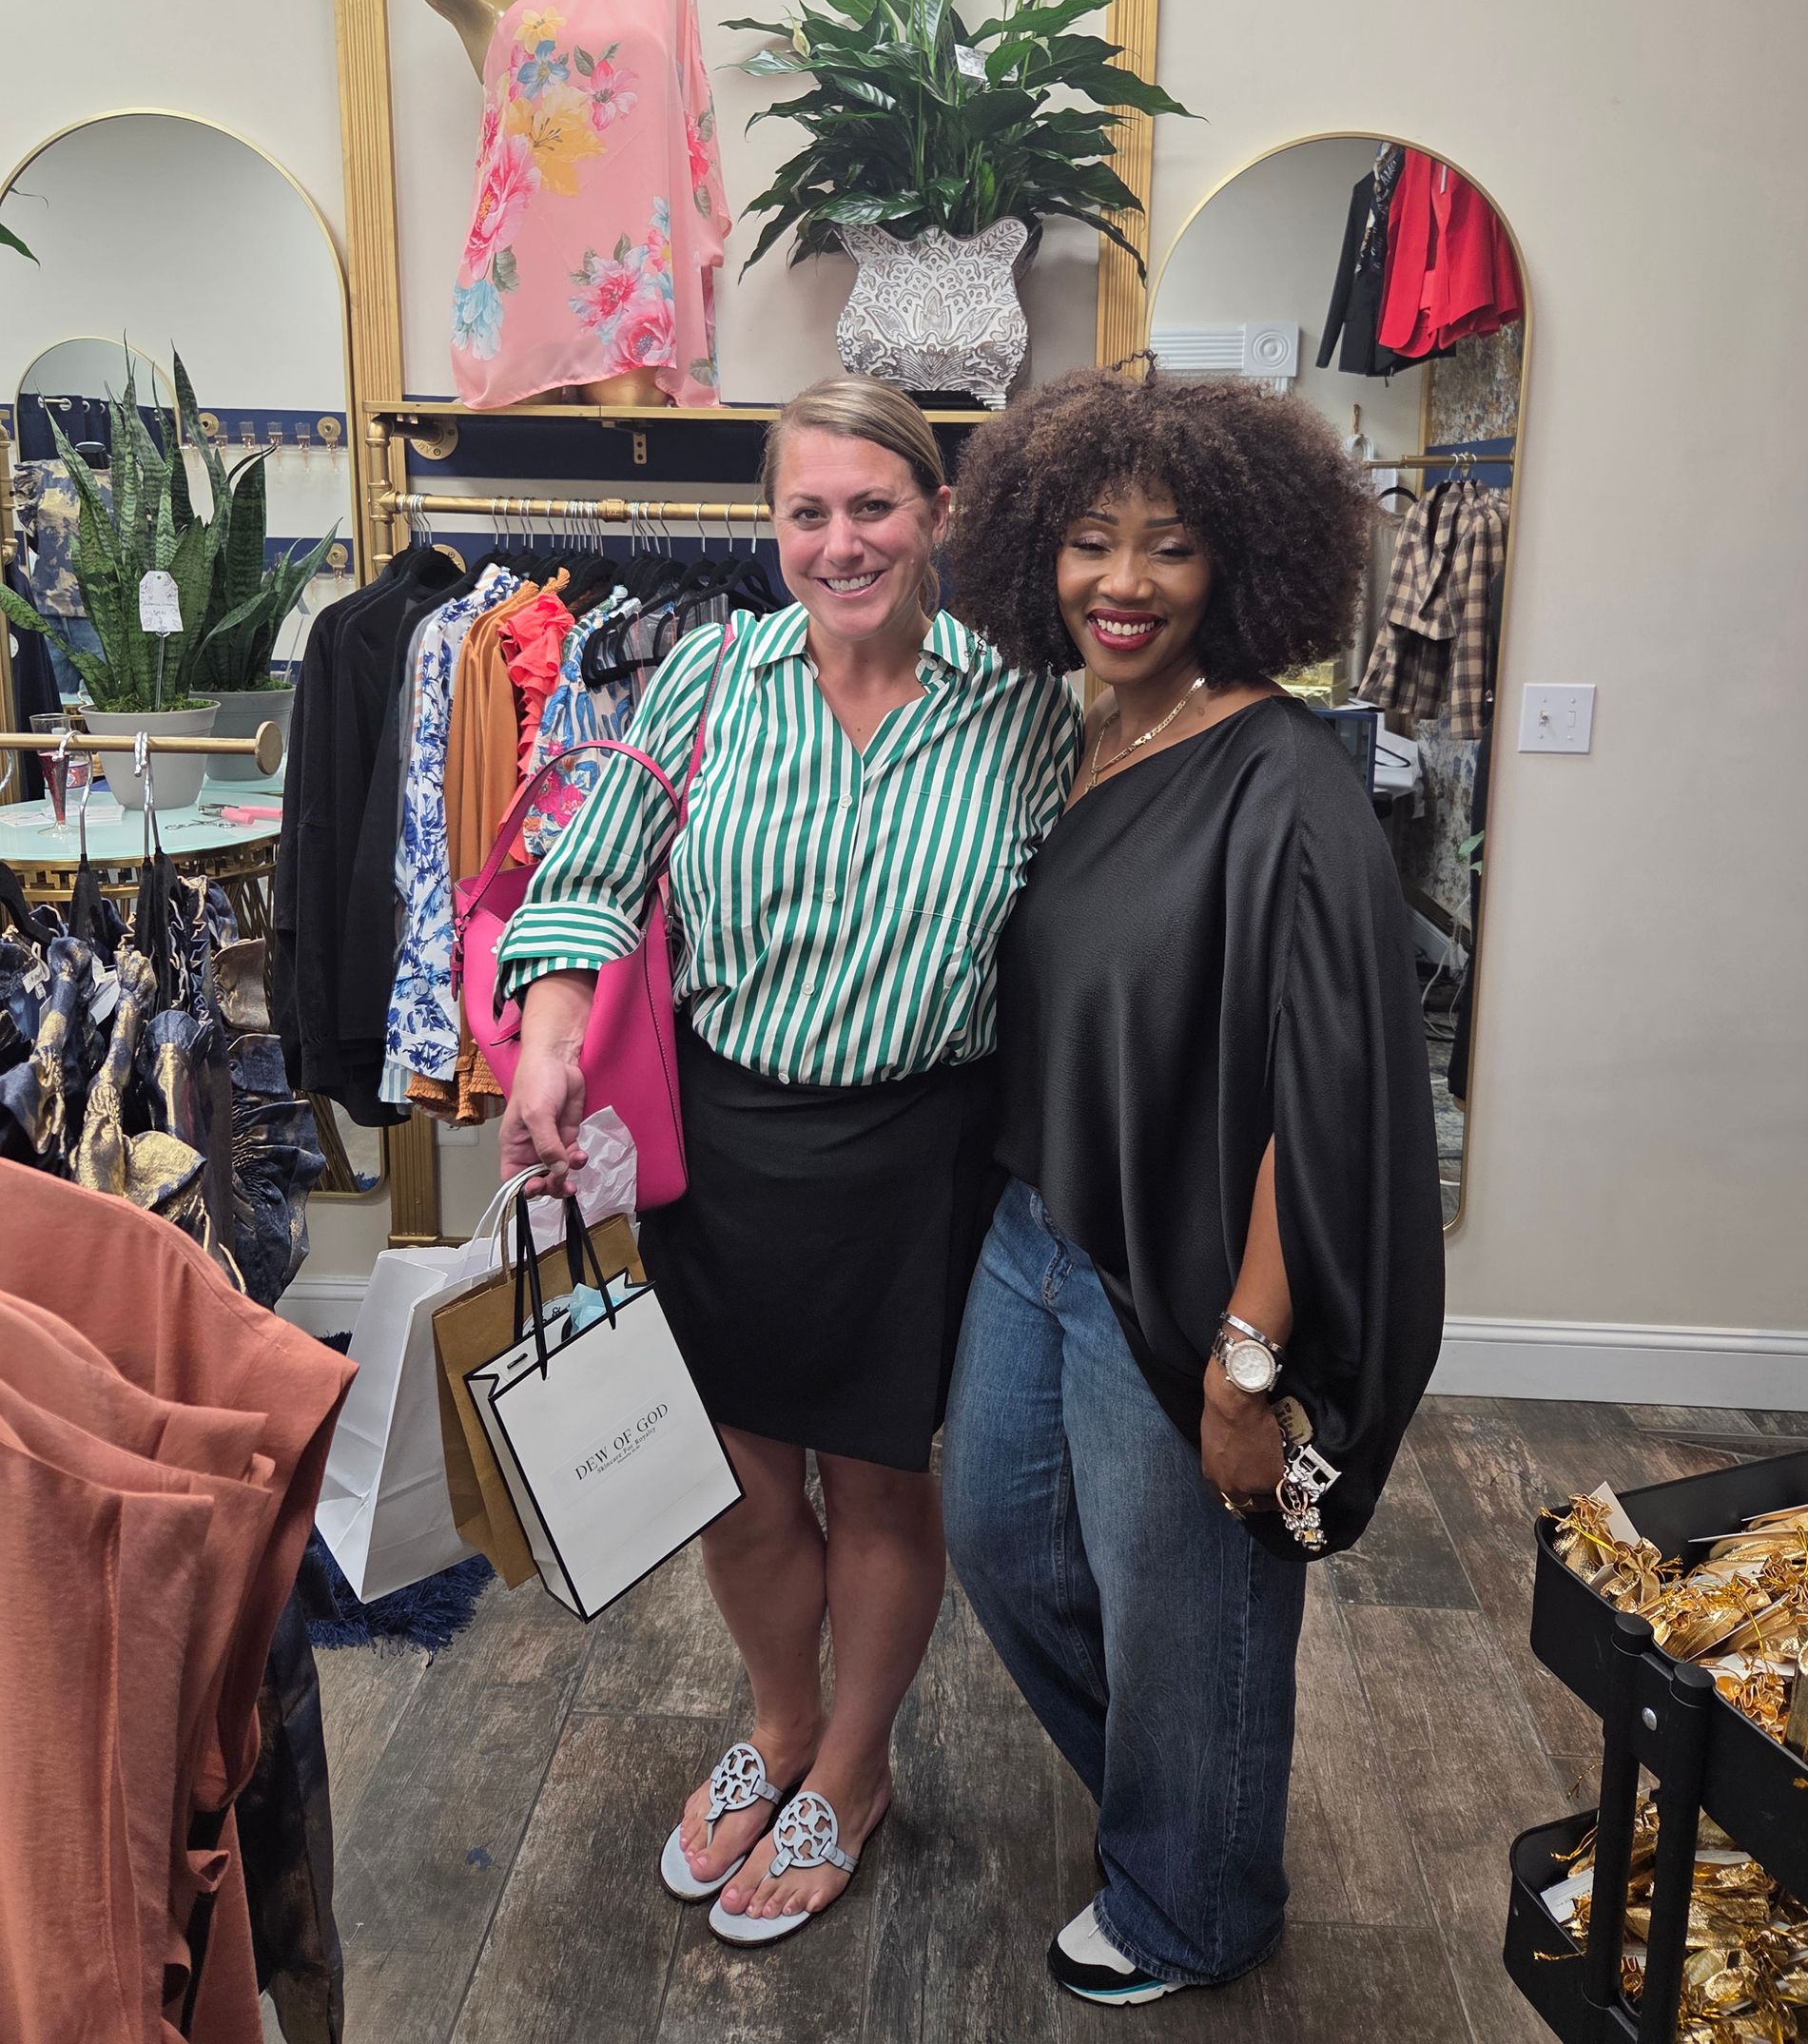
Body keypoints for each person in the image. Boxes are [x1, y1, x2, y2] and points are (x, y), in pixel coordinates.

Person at [496, 378, 1079, 1948]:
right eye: (807, 512)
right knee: (738, 1486)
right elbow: (593, 868)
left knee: (883, 1481)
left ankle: (854, 1763)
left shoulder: (1024, 708)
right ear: (771, 527)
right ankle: (773, 1726)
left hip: (922, 1152)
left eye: (874, 506)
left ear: (937, 515)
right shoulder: (703, 678)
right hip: (730, 1134)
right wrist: (550, 1040)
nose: (841, 542)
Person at [941, 365, 1444, 2007]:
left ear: (1238, 562)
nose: (1125, 582)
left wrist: (1247, 1357)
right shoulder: (1077, 735)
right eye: (1090, 542)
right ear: (1037, 555)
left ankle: (1197, 1899)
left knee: (1191, 1608)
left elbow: (1333, 1100)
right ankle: (1191, 1800)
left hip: (1192, 1273)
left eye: (1168, 547)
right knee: (1005, 1542)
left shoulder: (1286, 776)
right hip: (1039, 1228)